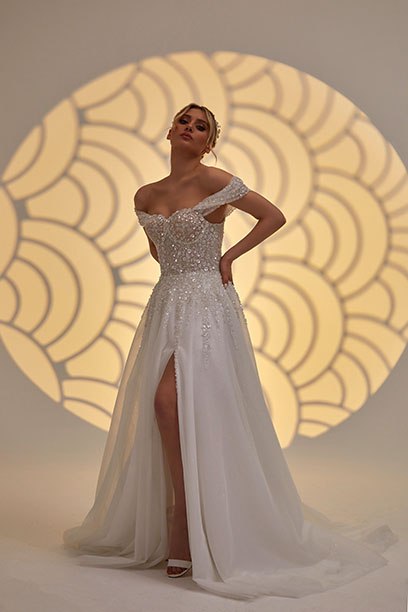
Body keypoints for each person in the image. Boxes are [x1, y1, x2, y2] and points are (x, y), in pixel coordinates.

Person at [63, 103, 396, 600]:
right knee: (170, 409)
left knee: (172, 404)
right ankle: (182, 515)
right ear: (170, 130)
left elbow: (273, 216)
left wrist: (228, 256)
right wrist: (179, 263)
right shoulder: (145, 195)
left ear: (208, 143)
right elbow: (160, 251)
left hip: (206, 302)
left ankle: (186, 520)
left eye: (201, 126)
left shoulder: (215, 181)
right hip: (166, 302)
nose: (190, 128)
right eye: (184, 120)